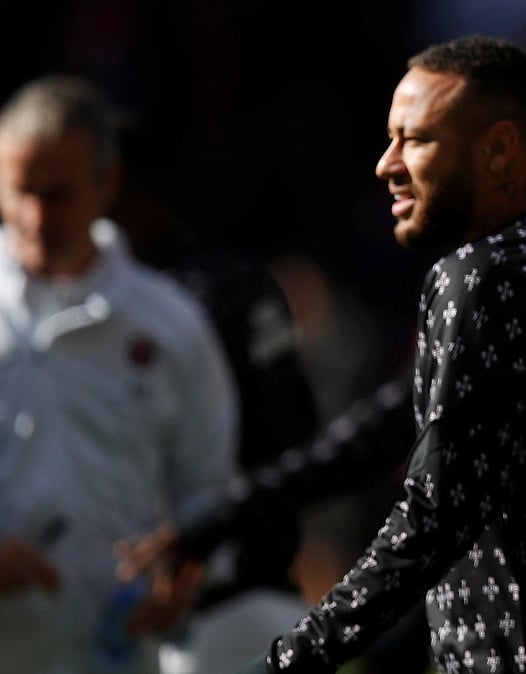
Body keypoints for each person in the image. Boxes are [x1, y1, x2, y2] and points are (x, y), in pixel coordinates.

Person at [235, 35, 526, 674]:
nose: (387, 163)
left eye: (414, 140)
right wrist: (219, 519)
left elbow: (433, 515)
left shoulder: (477, 273)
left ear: (497, 149)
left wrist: (286, 661)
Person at [0, 75, 238, 673]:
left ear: (106, 183)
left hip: (119, 654)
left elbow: (209, 489)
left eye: (57, 195)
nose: (35, 216)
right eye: (19, 190)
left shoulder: (171, 323)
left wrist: (178, 583)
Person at [108, 121, 325, 674]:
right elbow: (305, 437)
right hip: (257, 599)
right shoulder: (239, 281)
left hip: (188, 613)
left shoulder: (170, 308)